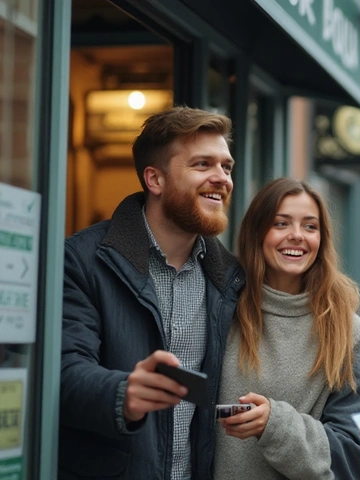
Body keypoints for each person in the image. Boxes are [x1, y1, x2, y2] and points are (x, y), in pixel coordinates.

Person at [58, 107, 245, 479]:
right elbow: (62, 372)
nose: (221, 178)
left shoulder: (233, 278)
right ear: (154, 179)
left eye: (226, 166)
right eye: (202, 164)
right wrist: (123, 394)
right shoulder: (81, 260)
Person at [213, 177, 360, 479]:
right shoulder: (220, 310)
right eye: (281, 224)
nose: (297, 236)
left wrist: (275, 426)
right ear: (256, 233)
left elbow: (357, 452)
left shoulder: (347, 331)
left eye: (310, 226)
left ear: (322, 239)